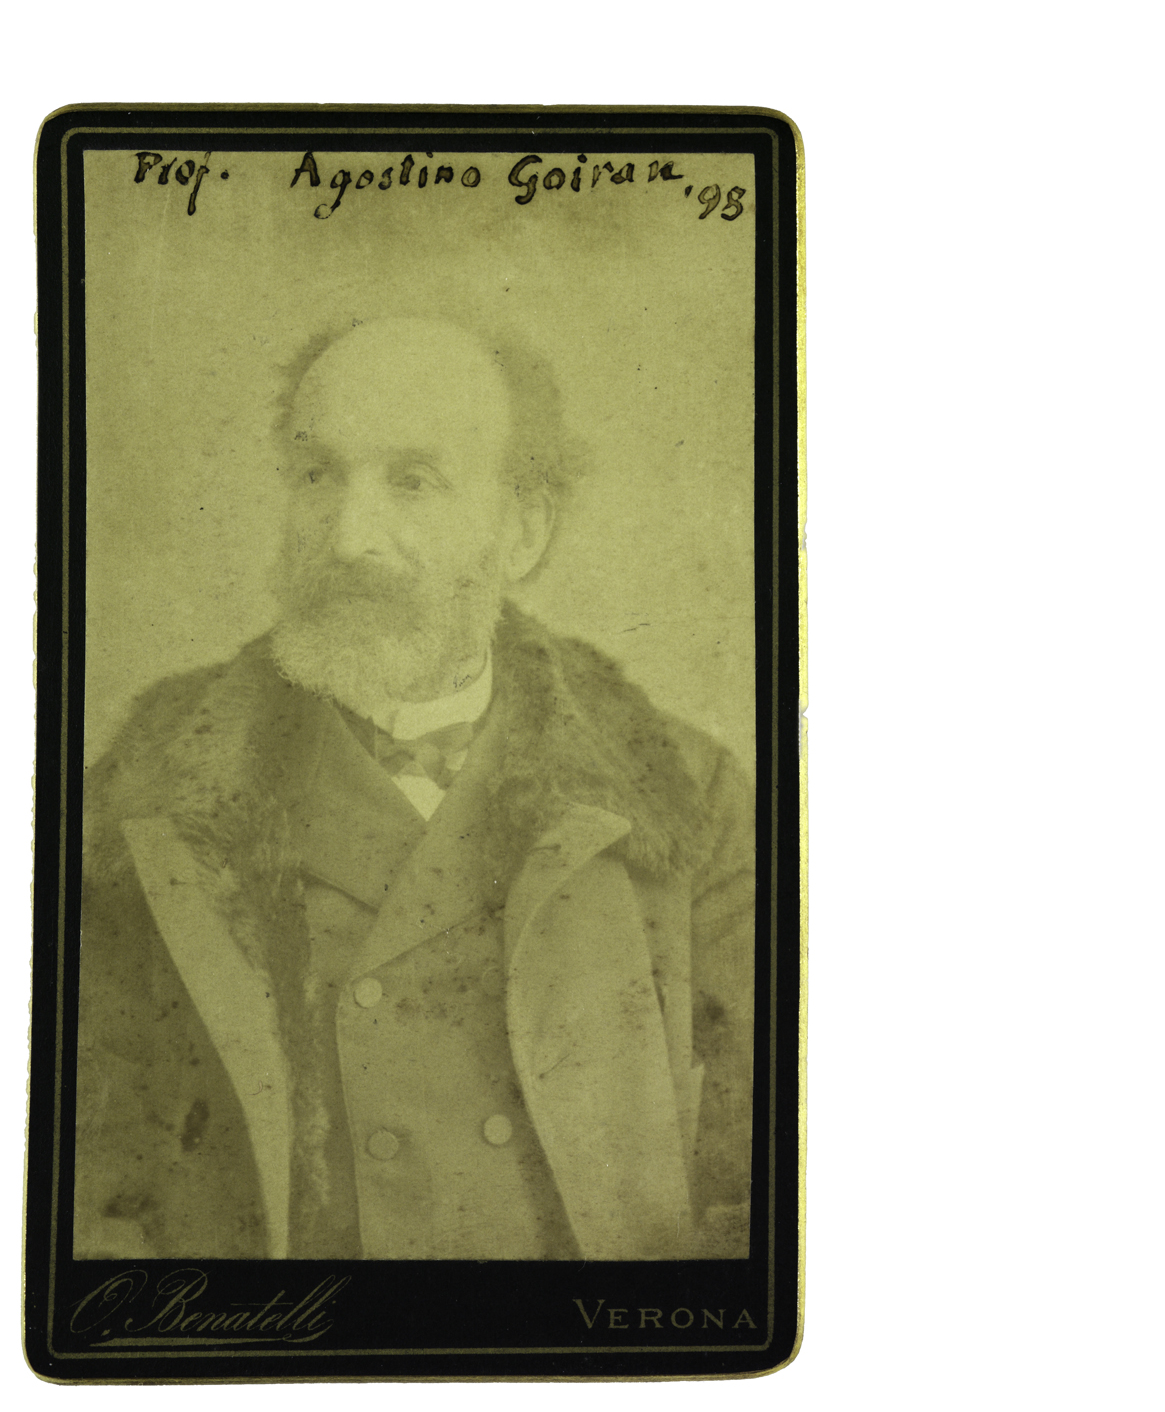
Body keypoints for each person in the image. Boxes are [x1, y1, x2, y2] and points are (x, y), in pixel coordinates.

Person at [74, 315, 754, 1262]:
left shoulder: (690, 795)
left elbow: (769, 1194)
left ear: (522, 530)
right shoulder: (143, 803)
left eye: (413, 481)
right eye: (318, 475)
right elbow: (72, 1192)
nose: (350, 538)